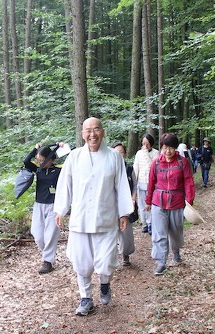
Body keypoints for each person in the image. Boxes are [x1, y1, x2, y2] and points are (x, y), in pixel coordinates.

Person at [54, 117, 134, 316]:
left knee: (106, 262)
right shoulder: (74, 157)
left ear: (103, 132)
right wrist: (60, 210)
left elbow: (121, 185)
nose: (92, 134)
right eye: (88, 130)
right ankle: (86, 298)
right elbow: (65, 184)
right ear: (82, 134)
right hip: (80, 220)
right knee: (81, 262)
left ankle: (105, 284)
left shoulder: (114, 157)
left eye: (96, 129)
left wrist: (123, 212)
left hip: (105, 218)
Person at [145, 133, 195, 275]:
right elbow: (151, 183)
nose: (168, 151)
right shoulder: (156, 162)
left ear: (176, 148)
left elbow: (188, 182)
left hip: (177, 202)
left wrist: (189, 202)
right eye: (165, 147)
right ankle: (161, 262)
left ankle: (176, 251)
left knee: (176, 232)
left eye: (171, 148)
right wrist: (148, 201)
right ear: (161, 147)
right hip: (158, 202)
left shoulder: (182, 162)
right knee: (159, 234)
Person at [23, 142, 63, 274]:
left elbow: (70, 160)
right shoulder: (38, 170)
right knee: (38, 235)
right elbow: (26, 161)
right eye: (38, 160)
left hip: (54, 206)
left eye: (42, 160)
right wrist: (35, 149)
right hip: (39, 205)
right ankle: (48, 255)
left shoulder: (59, 171)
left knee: (50, 235)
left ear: (50, 159)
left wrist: (60, 146)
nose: (39, 162)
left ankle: (47, 261)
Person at [111, 142, 137, 266]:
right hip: (110, 206)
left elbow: (135, 185)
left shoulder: (129, 169)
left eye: (121, 152)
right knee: (111, 233)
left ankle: (126, 254)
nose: (119, 154)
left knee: (126, 232)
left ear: (125, 154)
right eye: (116, 152)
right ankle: (111, 257)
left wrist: (133, 199)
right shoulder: (108, 169)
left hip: (126, 206)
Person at [133, 134, 160, 235]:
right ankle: (144, 222)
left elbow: (153, 165)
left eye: (147, 143)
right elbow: (136, 167)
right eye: (143, 143)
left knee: (150, 204)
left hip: (151, 183)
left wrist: (145, 153)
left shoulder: (156, 153)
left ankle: (150, 223)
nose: (145, 145)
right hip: (140, 182)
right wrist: (134, 182)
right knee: (141, 204)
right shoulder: (138, 153)